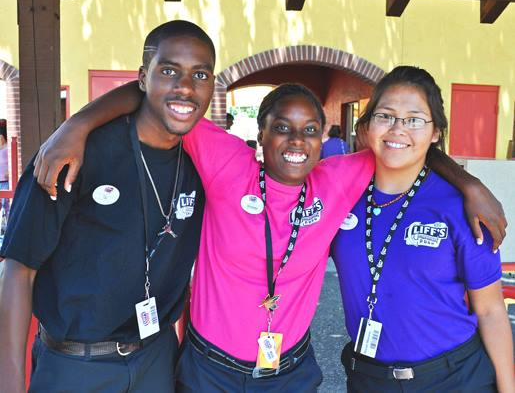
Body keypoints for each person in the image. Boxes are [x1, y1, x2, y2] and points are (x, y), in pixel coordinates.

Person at [32, 78, 505, 392]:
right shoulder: (227, 165)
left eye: (310, 130)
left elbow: (406, 145)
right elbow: (155, 94)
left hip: (289, 374)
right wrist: (76, 124)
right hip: (209, 372)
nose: (296, 142)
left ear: (327, 138)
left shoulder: (337, 180)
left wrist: (468, 182)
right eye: (281, 128)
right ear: (259, 133)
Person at [0, 20, 214, 393]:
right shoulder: (74, 155)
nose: (185, 86)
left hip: (156, 359)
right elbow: (19, 268)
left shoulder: (205, 161)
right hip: (75, 365)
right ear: (143, 78)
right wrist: (9, 381)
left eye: (200, 74)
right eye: (168, 71)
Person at [333, 66, 514, 392]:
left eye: (414, 119)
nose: (398, 129)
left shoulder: (465, 208)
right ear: (367, 125)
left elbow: (490, 310)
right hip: (369, 379)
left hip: (454, 378)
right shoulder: (339, 193)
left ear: (435, 133)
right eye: (385, 116)